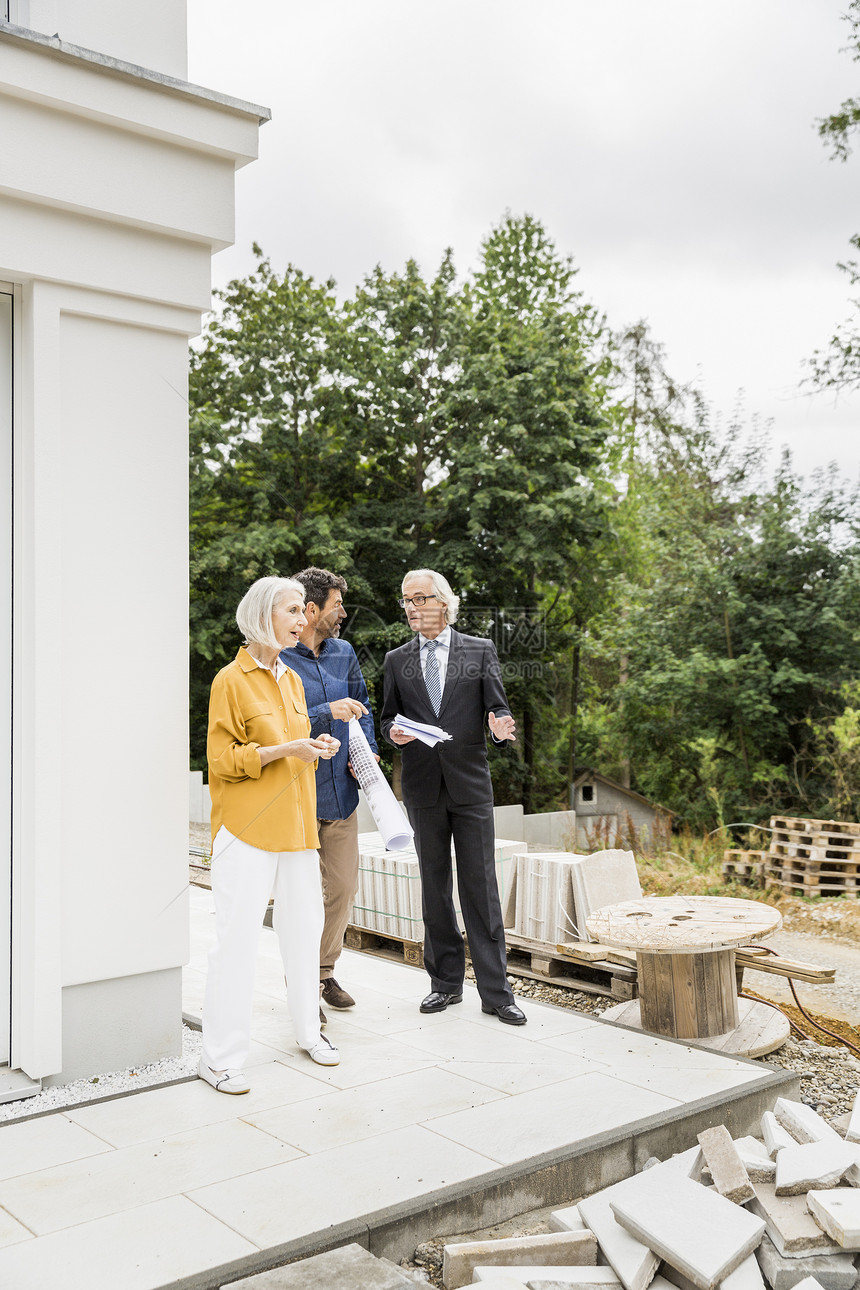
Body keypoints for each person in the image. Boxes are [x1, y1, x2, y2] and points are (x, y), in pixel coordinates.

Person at [200, 576, 341, 1095]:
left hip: (299, 831)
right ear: (263, 614)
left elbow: (293, 746)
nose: (303, 619)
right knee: (236, 943)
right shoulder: (229, 681)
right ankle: (219, 1058)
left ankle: (309, 1032)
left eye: (303, 611)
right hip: (247, 831)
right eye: (292, 611)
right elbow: (222, 762)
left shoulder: (293, 679)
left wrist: (313, 745)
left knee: (304, 936)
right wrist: (287, 750)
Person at [380, 568, 526, 1026]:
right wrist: (394, 733)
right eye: (406, 600)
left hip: (471, 788)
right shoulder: (396, 660)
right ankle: (444, 985)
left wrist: (501, 727)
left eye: (419, 598)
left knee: (480, 887)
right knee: (435, 890)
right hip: (422, 789)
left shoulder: (479, 651)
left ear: (444, 602)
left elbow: (497, 706)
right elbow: (386, 720)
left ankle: (497, 994)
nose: (411, 607)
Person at [281, 567, 379, 1019]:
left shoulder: (344, 653)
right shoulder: (279, 657)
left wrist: (369, 756)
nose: (343, 612)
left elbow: (363, 707)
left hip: (341, 792)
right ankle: (303, 984)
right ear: (314, 608)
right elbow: (279, 724)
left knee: (341, 888)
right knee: (300, 897)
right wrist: (326, 710)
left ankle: (324, 971)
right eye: (337, 604)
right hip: (296, 797)